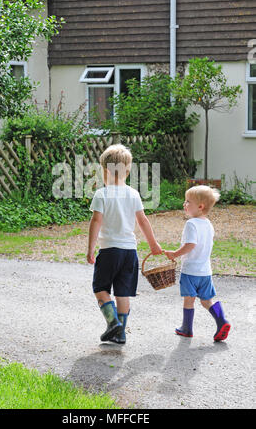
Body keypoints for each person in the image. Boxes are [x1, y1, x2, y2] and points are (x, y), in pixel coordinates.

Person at [87, 144, 162, 344]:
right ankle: (120, 334)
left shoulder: (101, 194)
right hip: (130, 252)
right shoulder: (134, 194)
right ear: (127, 172)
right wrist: (153, 245)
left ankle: (113, 323)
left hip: (109, 250)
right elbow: (143, 221)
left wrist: (90, 249)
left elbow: (96, 222)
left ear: (104, 171)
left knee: (100, 289)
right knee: (123, 292)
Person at [164, 185, 231, 342]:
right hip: (205, 271)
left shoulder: (191, 224)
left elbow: (190, 245)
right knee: (206, 300)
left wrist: (174, 254)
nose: (184, 204)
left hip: (190, 271)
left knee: (189, 299)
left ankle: (186, 329)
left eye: (188, 201)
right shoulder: (208, 224)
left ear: (200, 206)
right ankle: (222, 321)